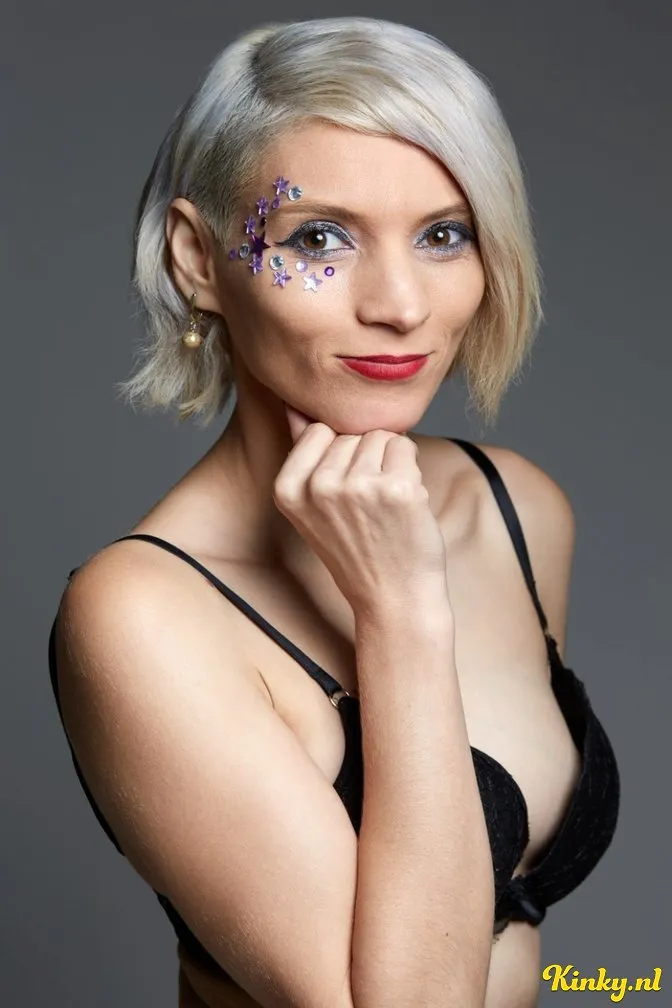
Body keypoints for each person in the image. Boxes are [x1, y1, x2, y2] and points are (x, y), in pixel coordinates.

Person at [48, 16, 620, 1008]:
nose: (400, 304)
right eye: (318, 237)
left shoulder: (516, 511)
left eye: (443, 234)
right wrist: (401, 611)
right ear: (197, 259)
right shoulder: (139, 615)